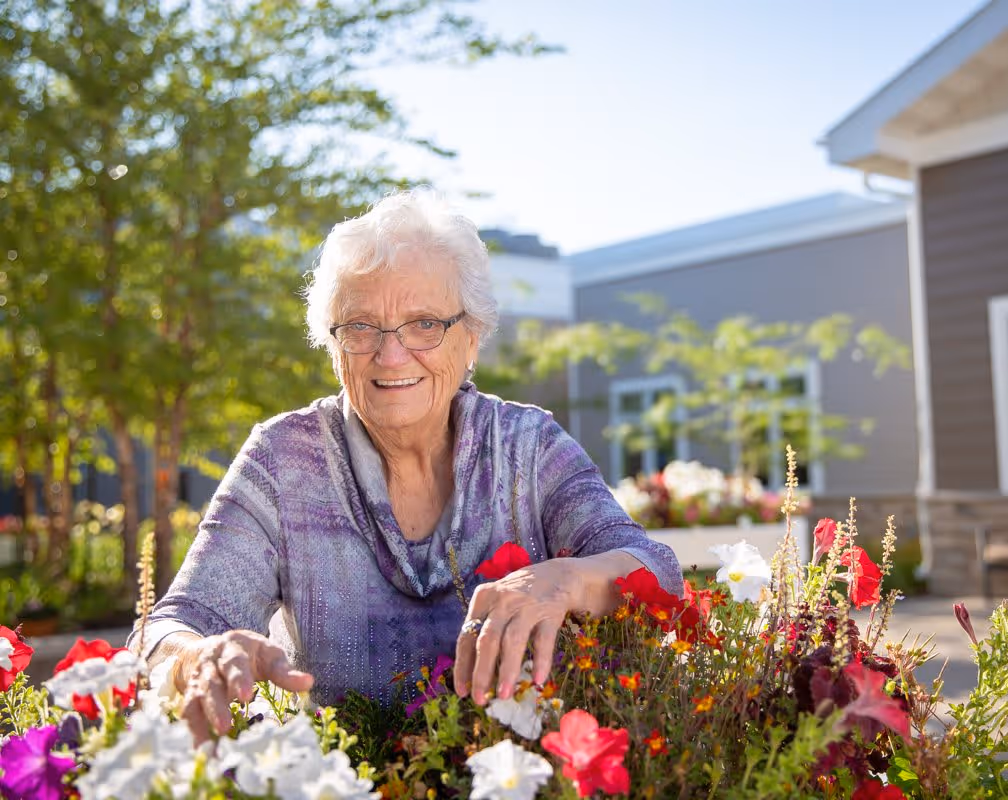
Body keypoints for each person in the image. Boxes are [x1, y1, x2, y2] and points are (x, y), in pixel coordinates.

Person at [133, 190, 683, 742]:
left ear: (470, 339)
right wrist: (198, 656)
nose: (391, 356)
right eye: (361, 327)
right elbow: (170, 627)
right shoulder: (284, 461)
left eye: (424, 324)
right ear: (333, 347)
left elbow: (657, 569)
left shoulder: (528, 446)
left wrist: (567, 580)